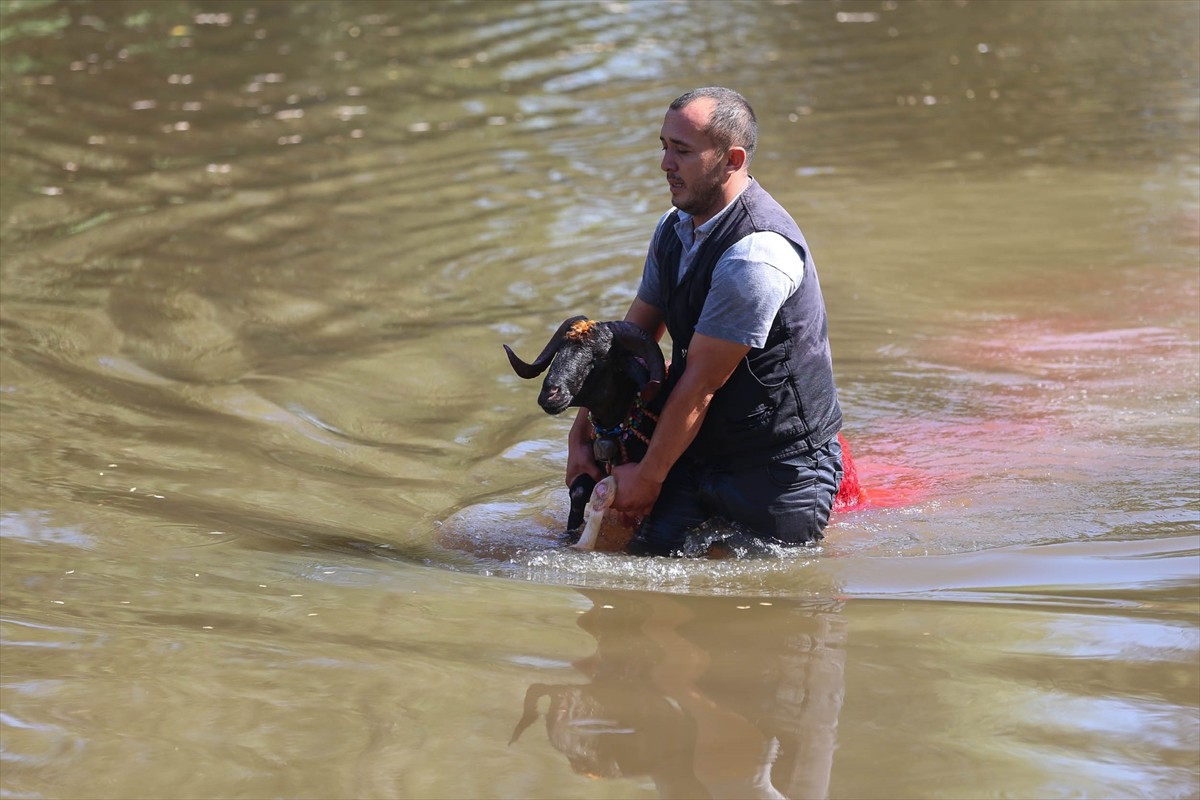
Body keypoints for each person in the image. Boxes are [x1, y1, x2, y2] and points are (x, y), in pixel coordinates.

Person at [566, 87, 844, 556]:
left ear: (732, 159)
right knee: (637, 571)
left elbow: (699, 386)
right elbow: (629, 344)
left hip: (779, 469)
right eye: (663, 147)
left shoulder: (756, 254)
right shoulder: (672, 229)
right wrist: (583, 436)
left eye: (682, 151)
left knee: (759, 610)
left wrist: (649, 476)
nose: (665, 165)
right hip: (698, 454)